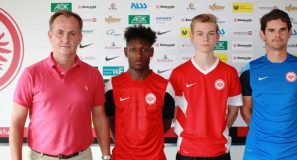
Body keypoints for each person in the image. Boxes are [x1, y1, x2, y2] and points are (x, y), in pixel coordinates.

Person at [9, 10, 111, 160]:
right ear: (50, 36)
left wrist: (106, 155)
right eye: (60, 32)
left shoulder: (93, 75)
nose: (65, 39)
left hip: (82, 157)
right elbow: (16, 122)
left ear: (80, 38)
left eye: (72, 33)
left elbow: (99, 117)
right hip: (40, 157)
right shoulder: (31, 74)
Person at [240, 9, 297, 160]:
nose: (277, 35)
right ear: (262, 34)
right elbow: (245, 111)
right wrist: (264, 133)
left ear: (290, 32)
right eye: (271, 30)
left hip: (293, 152)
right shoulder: (249, 70)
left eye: (282, 30)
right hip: (257, 151)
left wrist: (291, 132)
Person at [169, 14, 243, 160]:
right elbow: (173, 108)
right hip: (187, 151)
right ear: (191, 37)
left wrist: (222, 131)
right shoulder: (179, 73)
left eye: (210, 33)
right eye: (200, 33)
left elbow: (234, 109)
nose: (205, 39)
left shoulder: (229, 72)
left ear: (217, 36)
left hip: (219, 151)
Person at [104, 25, 175, 160]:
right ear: (126, 52)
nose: (138, 55)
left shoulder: (165, 87)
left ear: (152, 52)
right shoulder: (112, 85)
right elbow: (110, 121)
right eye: (133, 50)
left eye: (144, 49)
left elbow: (164, 125)